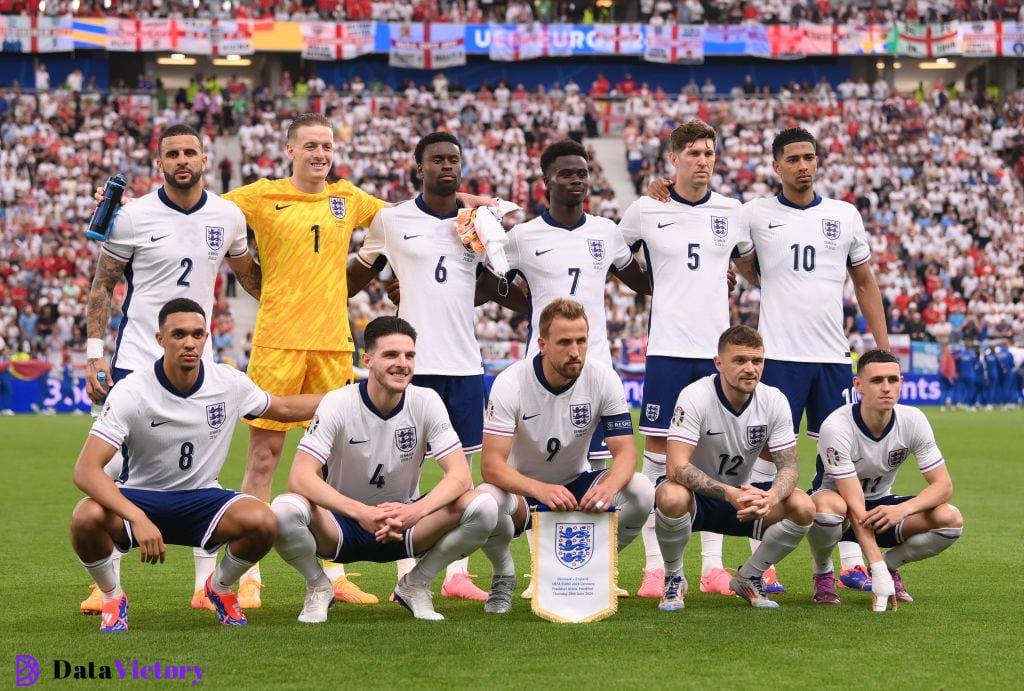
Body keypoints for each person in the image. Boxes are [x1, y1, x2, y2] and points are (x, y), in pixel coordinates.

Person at [224, 113, 493, 608]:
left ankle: (334, 571)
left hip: (332, 343)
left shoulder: (349, 199)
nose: (320, 154)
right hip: (277, 341)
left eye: (326, 145)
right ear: (289, 149)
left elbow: (410, 213)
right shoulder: (260, 195)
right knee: (263, 458)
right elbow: (198, 213)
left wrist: (467, 202)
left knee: (330, 463)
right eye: (310, 146)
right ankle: (248, 573)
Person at [81, 123, 262, 614]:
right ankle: (107, 588)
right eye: (172, 154)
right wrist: (95, 351)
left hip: (193, 363)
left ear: (205, 159)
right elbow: (103, 286)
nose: (182, 160)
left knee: (201, 471)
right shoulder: (132, 216)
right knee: (113, 469)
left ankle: (206, 587)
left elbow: (251, 279)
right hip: (137, 357)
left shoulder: (227, 216)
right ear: (159, 162)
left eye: (190, 152)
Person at [69, 298, 324, 632]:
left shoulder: (229, 383)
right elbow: (86, 470)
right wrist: (138, 517)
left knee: (264, 520)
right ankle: (112, 597)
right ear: (160, 339)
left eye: (197, 334)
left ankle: (218, 588)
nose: (189, 342)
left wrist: (351, 394)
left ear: (207, 338)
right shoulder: (132, 391)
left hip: (203, 499)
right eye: (178, 334)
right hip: (140, 498)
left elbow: (286, 409)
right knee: (85, 517)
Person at [347, 132, 526, 601]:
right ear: (418, 166)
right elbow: (357, 274)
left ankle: (454, 574)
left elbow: (496, 285)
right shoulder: (391, 220)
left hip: (465, 364)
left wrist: (495, 255)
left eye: (453, 160)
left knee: (460, 474)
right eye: (437, 160)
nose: (446, 166)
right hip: (409, 367)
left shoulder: (476, 224)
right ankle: (402, 565)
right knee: (400, 470)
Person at [484, 141, 649, 598]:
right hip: (541, 373)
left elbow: (644, 283)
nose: (576, 180)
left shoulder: (607, 232)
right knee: (535, 474)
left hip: (597, 371)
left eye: (582, 173)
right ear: (546, 182)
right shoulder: (522, 236)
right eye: (566, 174)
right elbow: (492, 286)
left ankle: (589, 573)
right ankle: (529, 572)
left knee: (605, 488)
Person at [736, 127, 891, 593]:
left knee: (840, 458)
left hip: (831, 358)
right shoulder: (754, 214)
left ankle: (848, 562)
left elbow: (864, 283)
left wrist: (879, 348)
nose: (804, 165)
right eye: (794, 159)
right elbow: (741, 260)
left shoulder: (844, 215)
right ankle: (763, 563)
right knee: (768, 458)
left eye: (810, 157)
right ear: (776, 166)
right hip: (779, 355)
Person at [269, 316, 501, 622]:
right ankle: (318, 586)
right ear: (367, 360)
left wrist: (413, 513)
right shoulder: (338, 402)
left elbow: (460, 475)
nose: (402, 364)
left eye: (409, 355)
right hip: (341, 528)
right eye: (391, 355)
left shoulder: (426, 401)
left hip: (405, 526)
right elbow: (300, 476)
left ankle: (415, 584)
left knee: (484, 506)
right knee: (283, 509)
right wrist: (360, 512)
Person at [618, 119, 753, 599]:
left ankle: (713, 568)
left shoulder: (733, 211)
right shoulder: (645, 209)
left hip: (717, 356)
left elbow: (747, 262)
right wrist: (653, 286)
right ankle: (656, 568)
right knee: (659, 461)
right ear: (672, 159)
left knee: (715, 461)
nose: (703, 160)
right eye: (694, 152)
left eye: (710, 152)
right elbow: (616, 257)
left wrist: (725, 279)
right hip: (668, 352)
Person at [477, 298, 655, 614]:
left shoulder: (603, 377)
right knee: (484, 502)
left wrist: (609, 486)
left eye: (581, 341)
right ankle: (504, 576)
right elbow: (491, 466)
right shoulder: (511, 382)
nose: (575, 350)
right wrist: (539, 489)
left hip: (575, 483)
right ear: (542, 345)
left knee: (641, 490)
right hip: (522, 492)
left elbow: (626, 452)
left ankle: (598, 568)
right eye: (564, 342)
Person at [653, 325, 814, 610]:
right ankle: (674, 577)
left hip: (742, 498)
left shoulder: (774, 400)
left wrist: (772, 497)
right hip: (697, 500)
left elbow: (789, 467)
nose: (750, 369)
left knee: (803, 506)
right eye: (740, 360)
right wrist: (728, 493)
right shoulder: (695, 396)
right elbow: (675, 467)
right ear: (719, 363)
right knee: (670, 495)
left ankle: (749, 576)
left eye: (757, 361)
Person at [807, 349, 963, 607]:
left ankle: (892, 567)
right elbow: (855, 504)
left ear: (901, 382)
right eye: (877, 380)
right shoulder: (836, 426)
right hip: (841, 510)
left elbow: (943, 485)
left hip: (881, 505)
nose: (886, 387)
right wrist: (874, 565)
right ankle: (823, 572)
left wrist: (901, 510)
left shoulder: (913, 419)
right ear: (859, 385)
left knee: (950, 519)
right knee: (829, 509)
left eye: (893, 380)